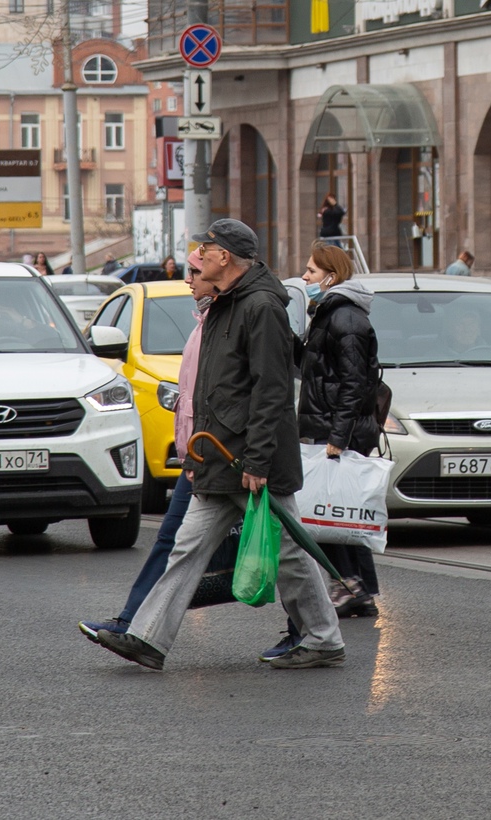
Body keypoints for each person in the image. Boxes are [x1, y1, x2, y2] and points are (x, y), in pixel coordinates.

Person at [92, 218, 347, 671]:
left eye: (204, 249)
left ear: (223, 257)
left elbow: (271, 390)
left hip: (248, 458)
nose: (198, 257)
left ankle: (324, 638)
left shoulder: (262, 306)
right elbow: (215, 386)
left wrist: (258, 459)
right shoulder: (226, 302)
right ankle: (147, 637)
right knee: (187, 548)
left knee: (289, 551)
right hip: (219, 454)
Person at [78, 250, 215, 642]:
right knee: (173, 540)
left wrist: (249, 457)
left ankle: (316, 631)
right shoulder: (205, 319)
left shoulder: (236, 316)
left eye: (195, 271)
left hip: (223, 455)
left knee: (288, 553)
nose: (188, 279)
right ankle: (136, 628)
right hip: (202, 453)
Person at [297, 240, 383, 620]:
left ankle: (347, 584)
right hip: (330, 422)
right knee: (344, 509)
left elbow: (354, 384)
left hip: (336, 427)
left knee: (329, 510)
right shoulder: (329, 312)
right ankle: (359, 589)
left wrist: (337, 437)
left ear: (330, 277)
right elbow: (315, 368)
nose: (305, 277)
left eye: (311, 272)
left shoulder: (345, 318)